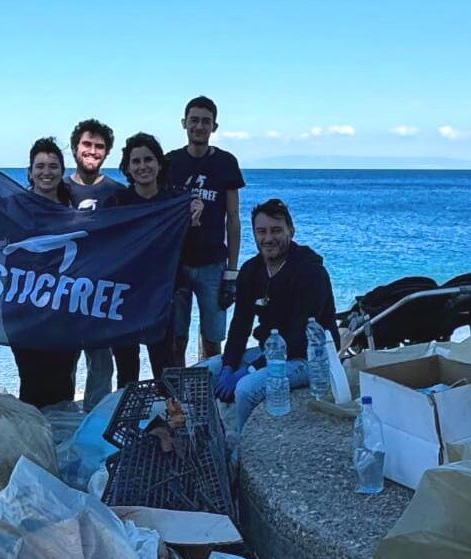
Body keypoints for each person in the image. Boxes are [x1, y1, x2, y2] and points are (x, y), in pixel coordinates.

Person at [204, 199, 339, 432]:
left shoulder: (309, 271)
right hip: (271, 351)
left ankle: (240, 450)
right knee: (206, 372)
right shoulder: (251, 270)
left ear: (291, 231)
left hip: (309, 357)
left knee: (246, 389)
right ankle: (211, 438)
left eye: (276, 230)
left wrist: (250, 369)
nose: (268, 238)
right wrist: (229, 366)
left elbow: (297, 336)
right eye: (261, 231)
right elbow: (240, 325)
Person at [166, 95, 245, 368]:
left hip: (212, 264)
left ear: (214, 126)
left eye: (205, 121)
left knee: (212, 339)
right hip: (176, 264)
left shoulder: (226, 162)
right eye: (194, 120)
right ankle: (177, 395)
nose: (199, 126)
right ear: (184, 123)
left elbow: (233, 219)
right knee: (175, 338)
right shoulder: (170, 162)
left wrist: (232, 272)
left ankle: (209, 393)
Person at [107, 132, 186, 386]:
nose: (143, 167)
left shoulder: (175, 201)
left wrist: (194, 212)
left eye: (148, 159)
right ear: (128, 168)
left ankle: (168, 420)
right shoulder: (117, 202)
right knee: (126, 371)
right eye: (136, 161)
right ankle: (126, 421)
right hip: (124, 297)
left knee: (165, 366)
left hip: (161, 296)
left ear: (159, 163)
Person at [9, 137, 82, 409]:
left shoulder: (73, 212)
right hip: (22, 311)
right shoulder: (14, 207)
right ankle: (32, 440)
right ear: (30, 172)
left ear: (62, 171)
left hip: (63, 311)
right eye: (40, 166)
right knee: (31, 380)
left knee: (63, 380)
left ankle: (59, 444)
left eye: (53, 166)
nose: (46, 172)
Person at [66, 119, 126, 410]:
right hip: (60, 291)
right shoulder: (57, 188)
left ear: (107, 152)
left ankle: (94, 423)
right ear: (74, 147)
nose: (92, 151)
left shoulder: (118, 193)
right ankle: (62, 418)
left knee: (101, 365)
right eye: (86, 144)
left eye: (99, 146)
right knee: (61, 361)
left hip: (102, 292)